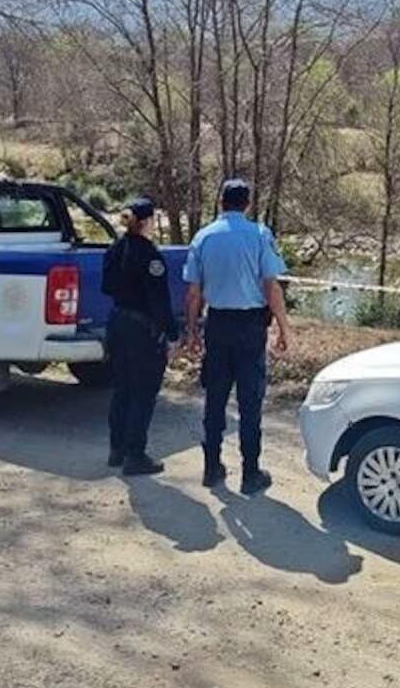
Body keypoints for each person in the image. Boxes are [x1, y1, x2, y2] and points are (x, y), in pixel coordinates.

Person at [182, 179, 291, 495]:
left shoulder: (203, 237)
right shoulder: (259, 235)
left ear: (220, 203)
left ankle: (211, 466)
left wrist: (192, 331)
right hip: (249, 327)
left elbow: (193, 292)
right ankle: (250, 472)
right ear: (247, 204)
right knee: (250, 400)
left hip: (217, 323)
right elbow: (271, 286)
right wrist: (283, 328)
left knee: (214, 398)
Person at [102, 196, 178, 476]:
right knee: (143, 393)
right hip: (142, 330)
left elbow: (106, 287)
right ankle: (135, 454)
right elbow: (160, 300)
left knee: (122, 388)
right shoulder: (150, 256)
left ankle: (116, 448)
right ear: (146, 222)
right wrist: (172, 333)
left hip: (118, 323)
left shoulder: (115, 250)